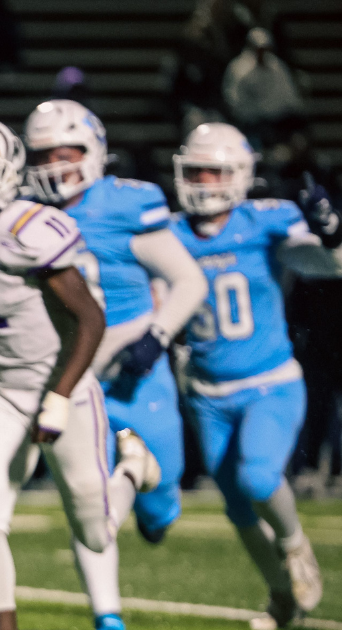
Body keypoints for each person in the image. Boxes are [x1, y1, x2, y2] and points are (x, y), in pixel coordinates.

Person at [0, 117, 160, 630]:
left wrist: (60, 396)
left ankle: (132, 468)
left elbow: (91, 318)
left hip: (61, 384)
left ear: (5, 177)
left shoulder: (30, 229)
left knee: (95, 531)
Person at [23, 100, 209, 630]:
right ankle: (108, 616)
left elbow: (189, 280)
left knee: (161, 499)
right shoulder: (24, 213)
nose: (54, 164)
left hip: (135, 364)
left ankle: (155, 505)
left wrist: (156, 335)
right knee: (88, 499)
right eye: (42, 154)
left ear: (94, 151)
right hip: (73, 376)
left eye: (66, 152)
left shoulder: (128, 203)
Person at [169, 122, 338, 630]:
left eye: (214, 171)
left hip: (269, 383)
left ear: (240, 175)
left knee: (259, 477)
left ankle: (294, 543)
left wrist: (331, 231)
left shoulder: (264, 220)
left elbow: (328, 265)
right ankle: (282, 598)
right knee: (239, 511)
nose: (202, 181)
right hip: (204, 393)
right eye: (195, 170)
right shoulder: (169, 230)